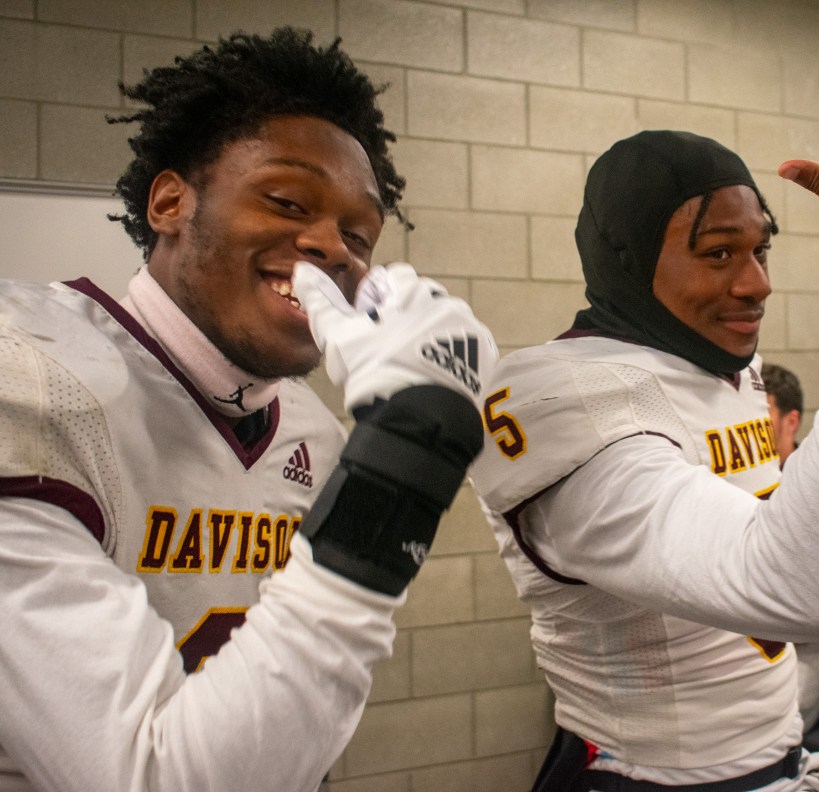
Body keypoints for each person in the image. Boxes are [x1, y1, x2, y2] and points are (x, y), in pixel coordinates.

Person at [0, 28, 495, 792]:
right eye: (288, 202)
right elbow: (149, 776)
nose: (333, 247)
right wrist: (410, 454)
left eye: (360, 235)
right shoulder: (31, 369)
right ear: (170, 202)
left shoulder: (312, 432)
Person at [470, 129, 819, 791]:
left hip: (775, 757)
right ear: (626, 257)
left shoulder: (717, 365)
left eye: (760, 249)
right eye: (718, 253)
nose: (756, 283)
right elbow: (799, 586)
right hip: (652, 776)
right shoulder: (559, 393)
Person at [762, 362, 819, 732]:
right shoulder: (723, 480)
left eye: (761, 415)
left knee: (771, 709)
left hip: (812, 648)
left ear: (791, 421)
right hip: (743, 642)